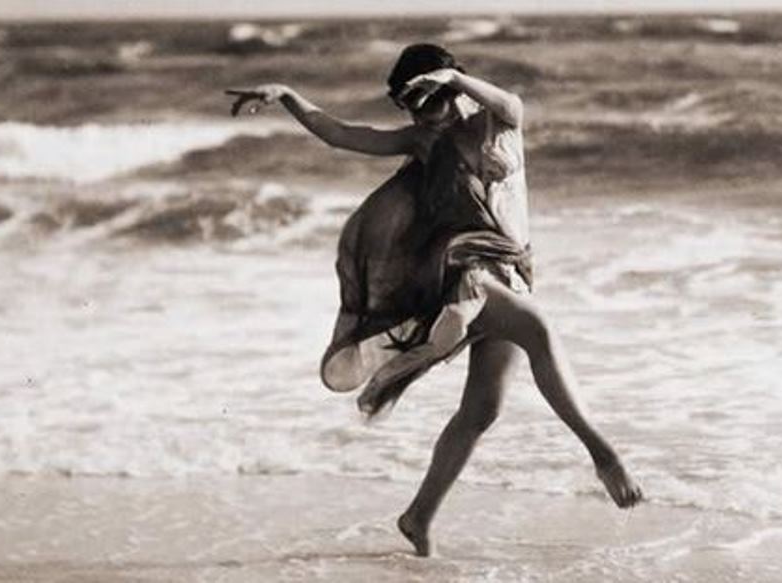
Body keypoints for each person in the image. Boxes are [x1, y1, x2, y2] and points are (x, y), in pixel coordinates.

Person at [228, 43, 642, 557]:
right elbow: (342, 134)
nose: (421, 114)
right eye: (409, 105)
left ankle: (417, 517)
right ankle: (603, 455)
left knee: (482, 411)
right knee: (538, 331)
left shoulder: (497, 122)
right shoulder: (423, 141)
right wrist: (288, 95)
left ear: (452, 86)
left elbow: (511, 102)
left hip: (512, 270)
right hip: (464, 266)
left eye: (429, 99)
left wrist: (453, 80)